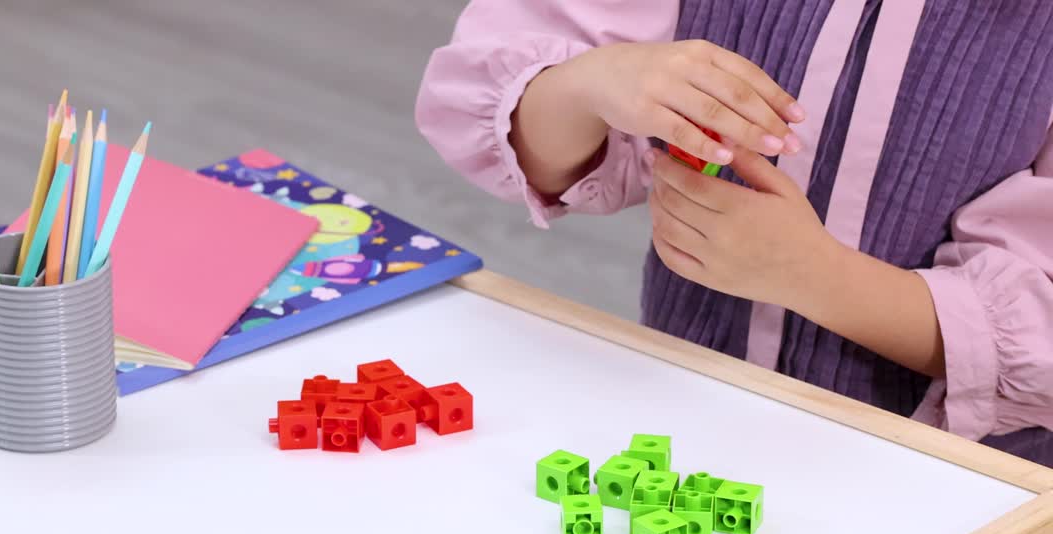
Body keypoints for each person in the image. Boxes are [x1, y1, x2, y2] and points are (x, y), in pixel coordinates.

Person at [415, 1, 1053, 465]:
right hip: (687, 410)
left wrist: (816, 276)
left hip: (951, 493)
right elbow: (521, 128)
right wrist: (591, 83)